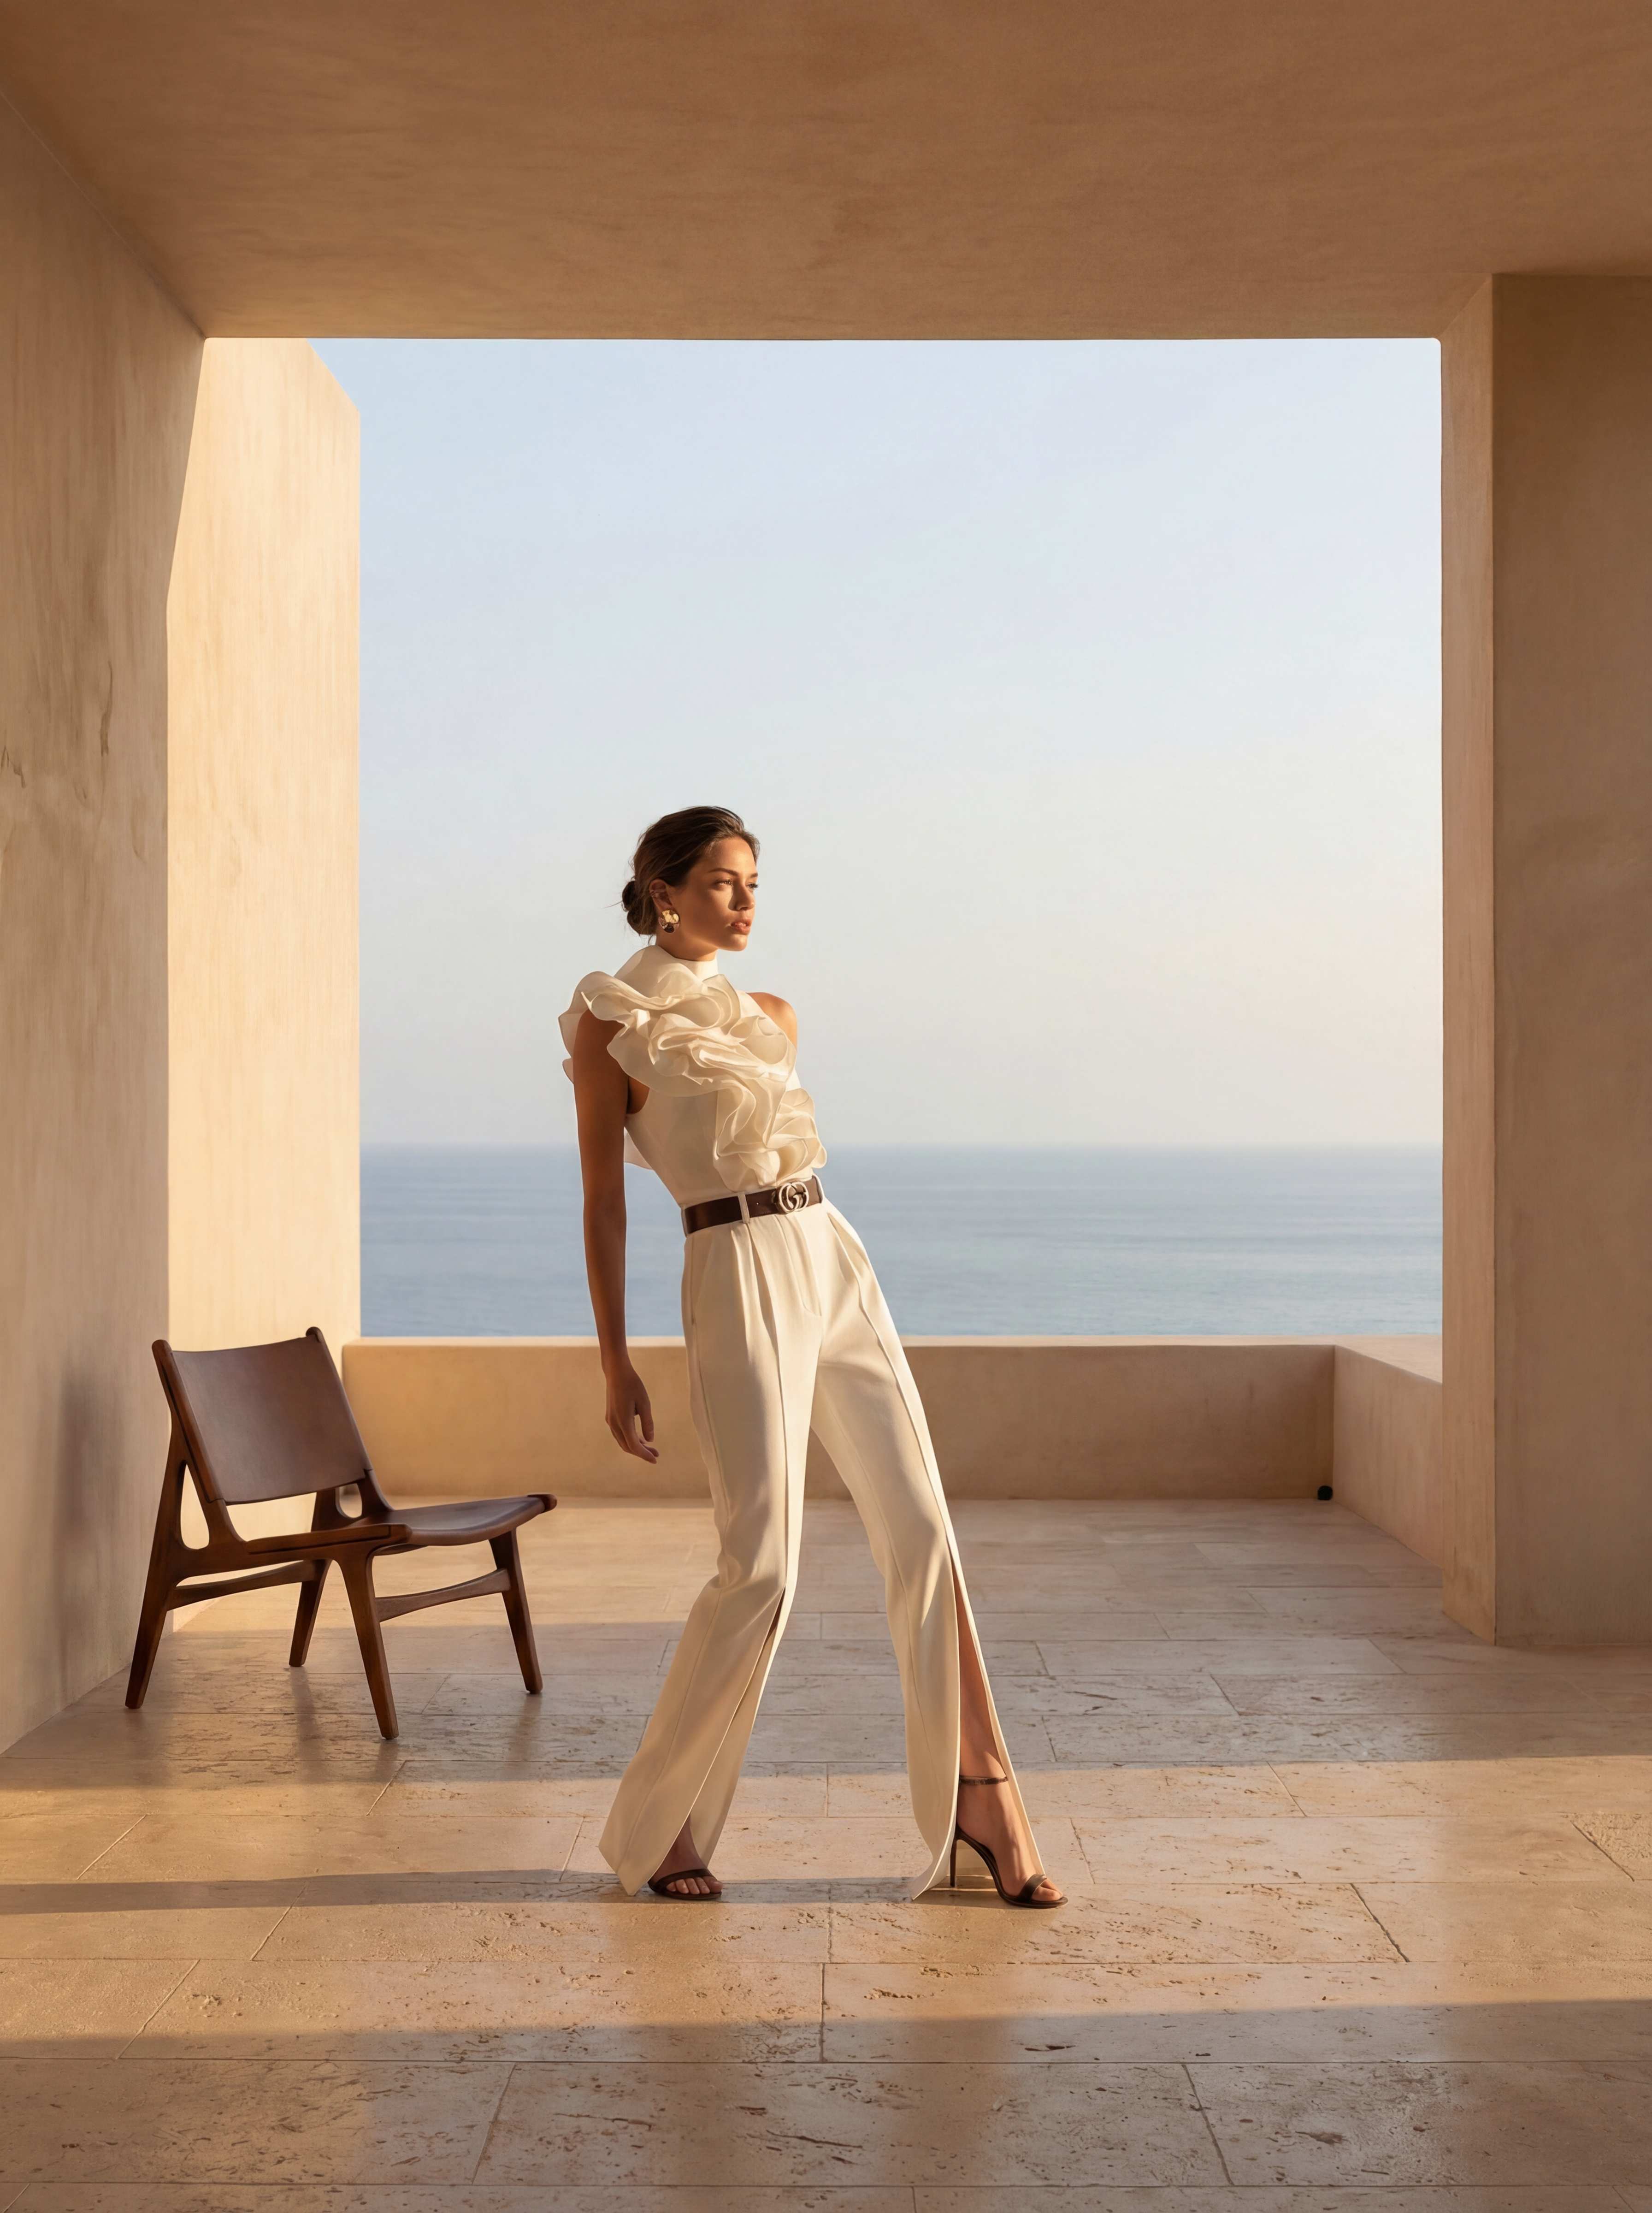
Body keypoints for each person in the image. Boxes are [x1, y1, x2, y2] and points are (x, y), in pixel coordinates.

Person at [561, 805, 1062, 1908]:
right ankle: (666, 1825)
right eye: (724, 884)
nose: (744, 904)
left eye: (753, 886)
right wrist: (615, 1363)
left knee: (924, 1530)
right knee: (765, 1567)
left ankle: (984, 1792)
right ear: (662, 891)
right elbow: (604, 1205)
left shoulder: (771, 1015)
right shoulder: (606, 1021)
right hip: (734, 1266)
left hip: (830, 1251)